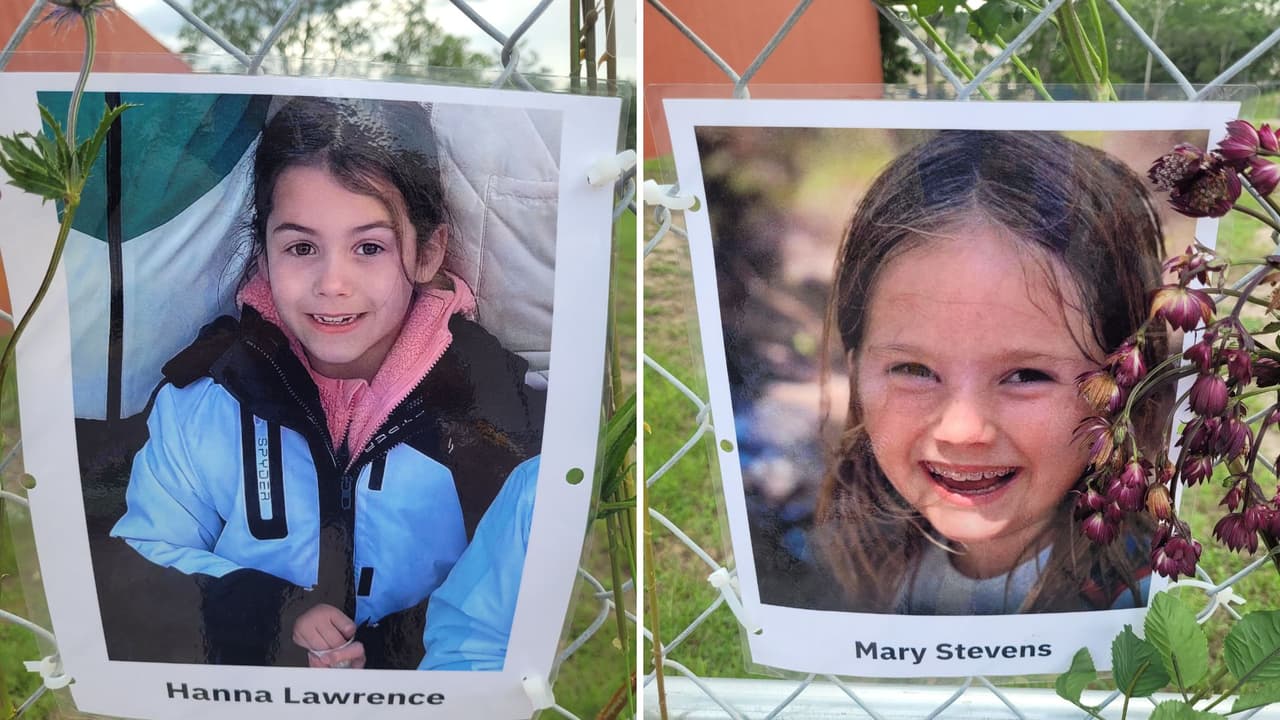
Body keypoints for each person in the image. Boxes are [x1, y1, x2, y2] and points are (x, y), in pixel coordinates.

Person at [110, 96, 545, 668]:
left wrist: (381, 650)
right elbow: (143, 560)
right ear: (261, 254)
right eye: (300, 247)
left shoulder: (497, 407)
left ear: (427, 251)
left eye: (368, 247)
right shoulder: (206, 396)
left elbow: (504, 596)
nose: (331, 282)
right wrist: (277, 614)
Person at [811, 130, 1165, 615]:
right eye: (913, 369)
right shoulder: (857, 565)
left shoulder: (1148, 600)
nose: (962, 430)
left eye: (1025, 375)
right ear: (855, 371)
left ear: (1123, 384)